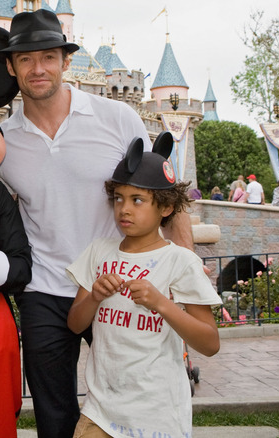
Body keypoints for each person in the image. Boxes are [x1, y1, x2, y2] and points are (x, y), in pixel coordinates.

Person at [0, 9, 193, 437]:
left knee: (134, 398)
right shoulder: (2, 143)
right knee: (54, 412)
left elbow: (167, 200)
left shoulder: (117, 118)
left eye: (48, 56)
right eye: (25, 59)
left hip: (118, 283)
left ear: (66, 62)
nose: (38, 68)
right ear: (11, 67)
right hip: (45, 288)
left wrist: (184, 278)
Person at [66, 140, 220, 438]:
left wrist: (163, 304)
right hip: (100, 411)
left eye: (137, 200)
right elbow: (75, 325)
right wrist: (95, 296)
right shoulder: (99, 252)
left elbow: (210, 343)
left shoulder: (180, 261)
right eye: (119, 198)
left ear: (165, 207)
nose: (124, 209)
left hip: (158, 416)